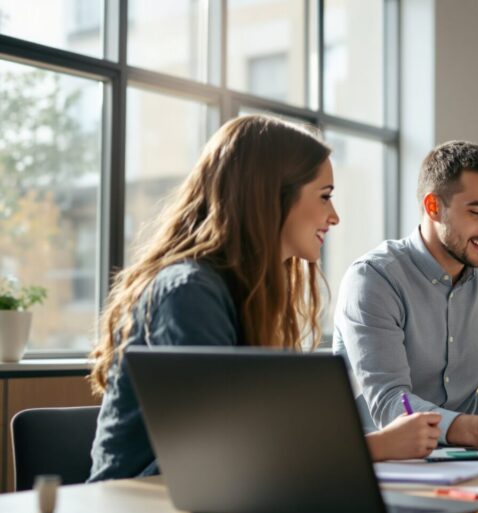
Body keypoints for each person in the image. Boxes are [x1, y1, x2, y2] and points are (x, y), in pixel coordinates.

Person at [88, 115, 440, 482]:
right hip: (137, 509)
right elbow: (229, 449)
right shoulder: (190, 292)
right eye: (324, 197)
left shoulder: (247, 293)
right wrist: (379, 445)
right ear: (272, 196)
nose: (333, 217)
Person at [335, 140, 478, 450]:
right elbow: (390, 402)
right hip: (385, 462)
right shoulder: (373, 278)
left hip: (469, 458)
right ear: (433, 207)